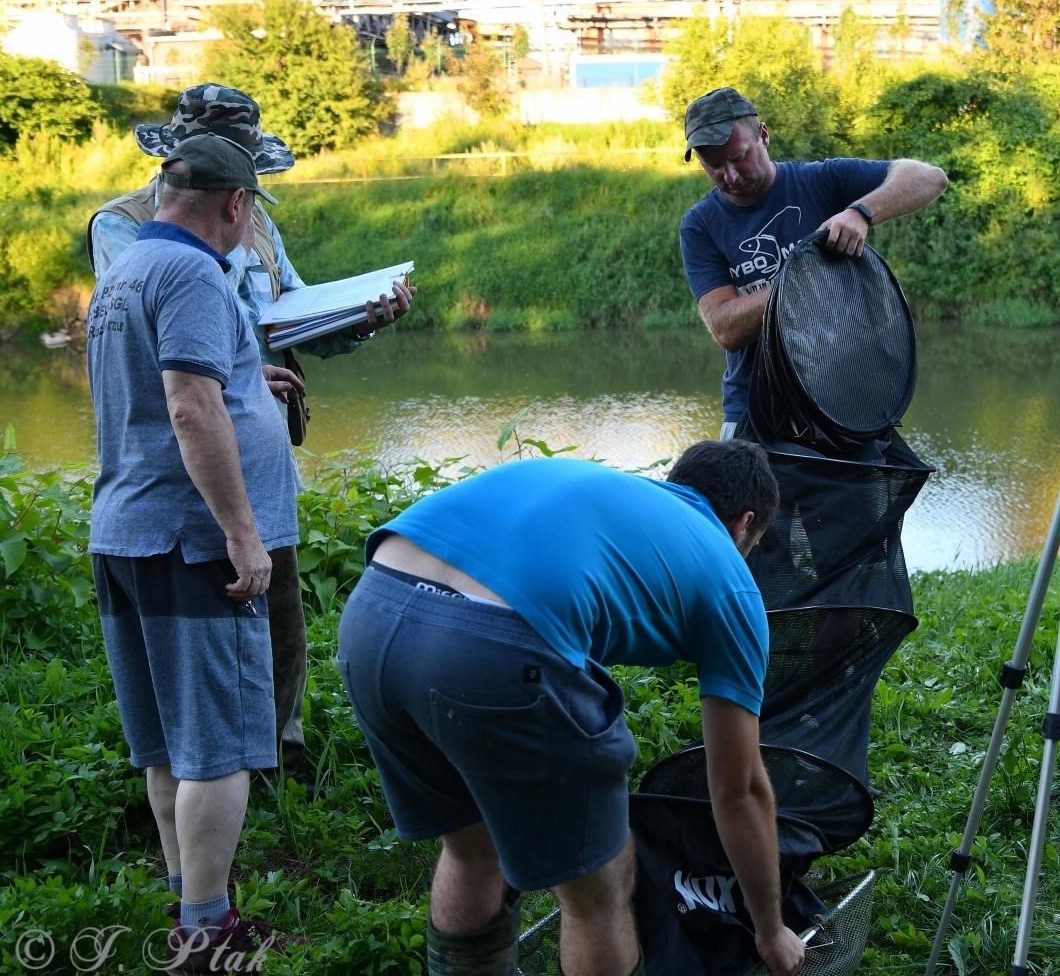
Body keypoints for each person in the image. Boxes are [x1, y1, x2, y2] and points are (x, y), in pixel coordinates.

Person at [336, 442, 807, 976]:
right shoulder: (730, 579)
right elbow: (739, 789)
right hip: (496, 654)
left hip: (372, 613)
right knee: (597, 891)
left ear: (678, 481)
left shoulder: (611, 493)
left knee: (472, 846)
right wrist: (771, 930)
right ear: (745, 525)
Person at [89, 83, 417, 783]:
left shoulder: (258, 220)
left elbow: (290, 317)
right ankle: (210, 772)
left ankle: (274, 767)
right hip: (186, 461)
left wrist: (359, 317)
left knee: (280, 612)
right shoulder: (122, 224)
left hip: (260, 441)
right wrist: (229, 377)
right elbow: (151, 345)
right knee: (209, 622)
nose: (244, 180)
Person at [87, 135, 304, 970]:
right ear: (236, 205)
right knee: (216, 745)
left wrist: (248, 381)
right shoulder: (191, 273)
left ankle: (187, 905)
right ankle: (208, 934)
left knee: (165, 746)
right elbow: (189, 408)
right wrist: (243, 534)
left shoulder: (126, 270)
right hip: (190, 540)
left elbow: (179, 388)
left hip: (128, 528)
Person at [678, 86, 948, 438]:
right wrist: (804, 277)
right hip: (755, 412)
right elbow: (726, 327)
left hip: (846, 403)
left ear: (763, 135)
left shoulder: (822, 180)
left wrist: (860, 212)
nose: (729, 176)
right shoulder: (700, 224)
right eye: (713, 166)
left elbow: (930, 178)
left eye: (738, 157)